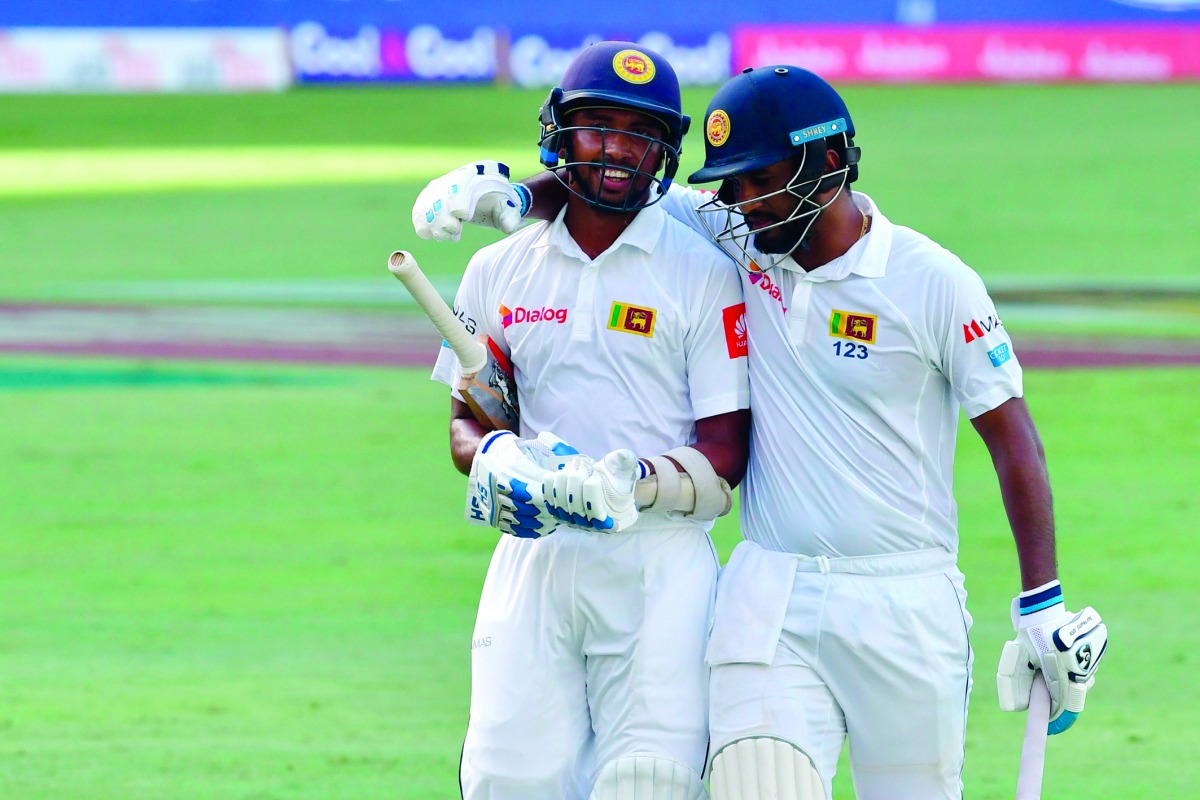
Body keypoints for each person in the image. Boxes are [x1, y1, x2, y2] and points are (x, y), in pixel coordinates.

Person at [414, 64, 1108, 799]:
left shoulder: (933, 281)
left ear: (829, 163)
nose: (742, 204)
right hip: (772, 590)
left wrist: (1042, 605)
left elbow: (1012, 439)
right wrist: (519, 196)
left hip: (906, 596)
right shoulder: (744, 238)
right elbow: (614, 178)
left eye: (761, 180)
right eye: (732, 185)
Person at [425, 41, 751, 800]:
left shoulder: (703, 270)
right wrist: (498, 458)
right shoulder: (496, 268)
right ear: (560, 132)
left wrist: (628, 483)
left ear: (666, 151)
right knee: (507, 781)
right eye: (598, 127)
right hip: (534, 557)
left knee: (651, 783)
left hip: (658, 563)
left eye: (640, 134)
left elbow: (727, 452)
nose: (617, 150)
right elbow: (466, 422)